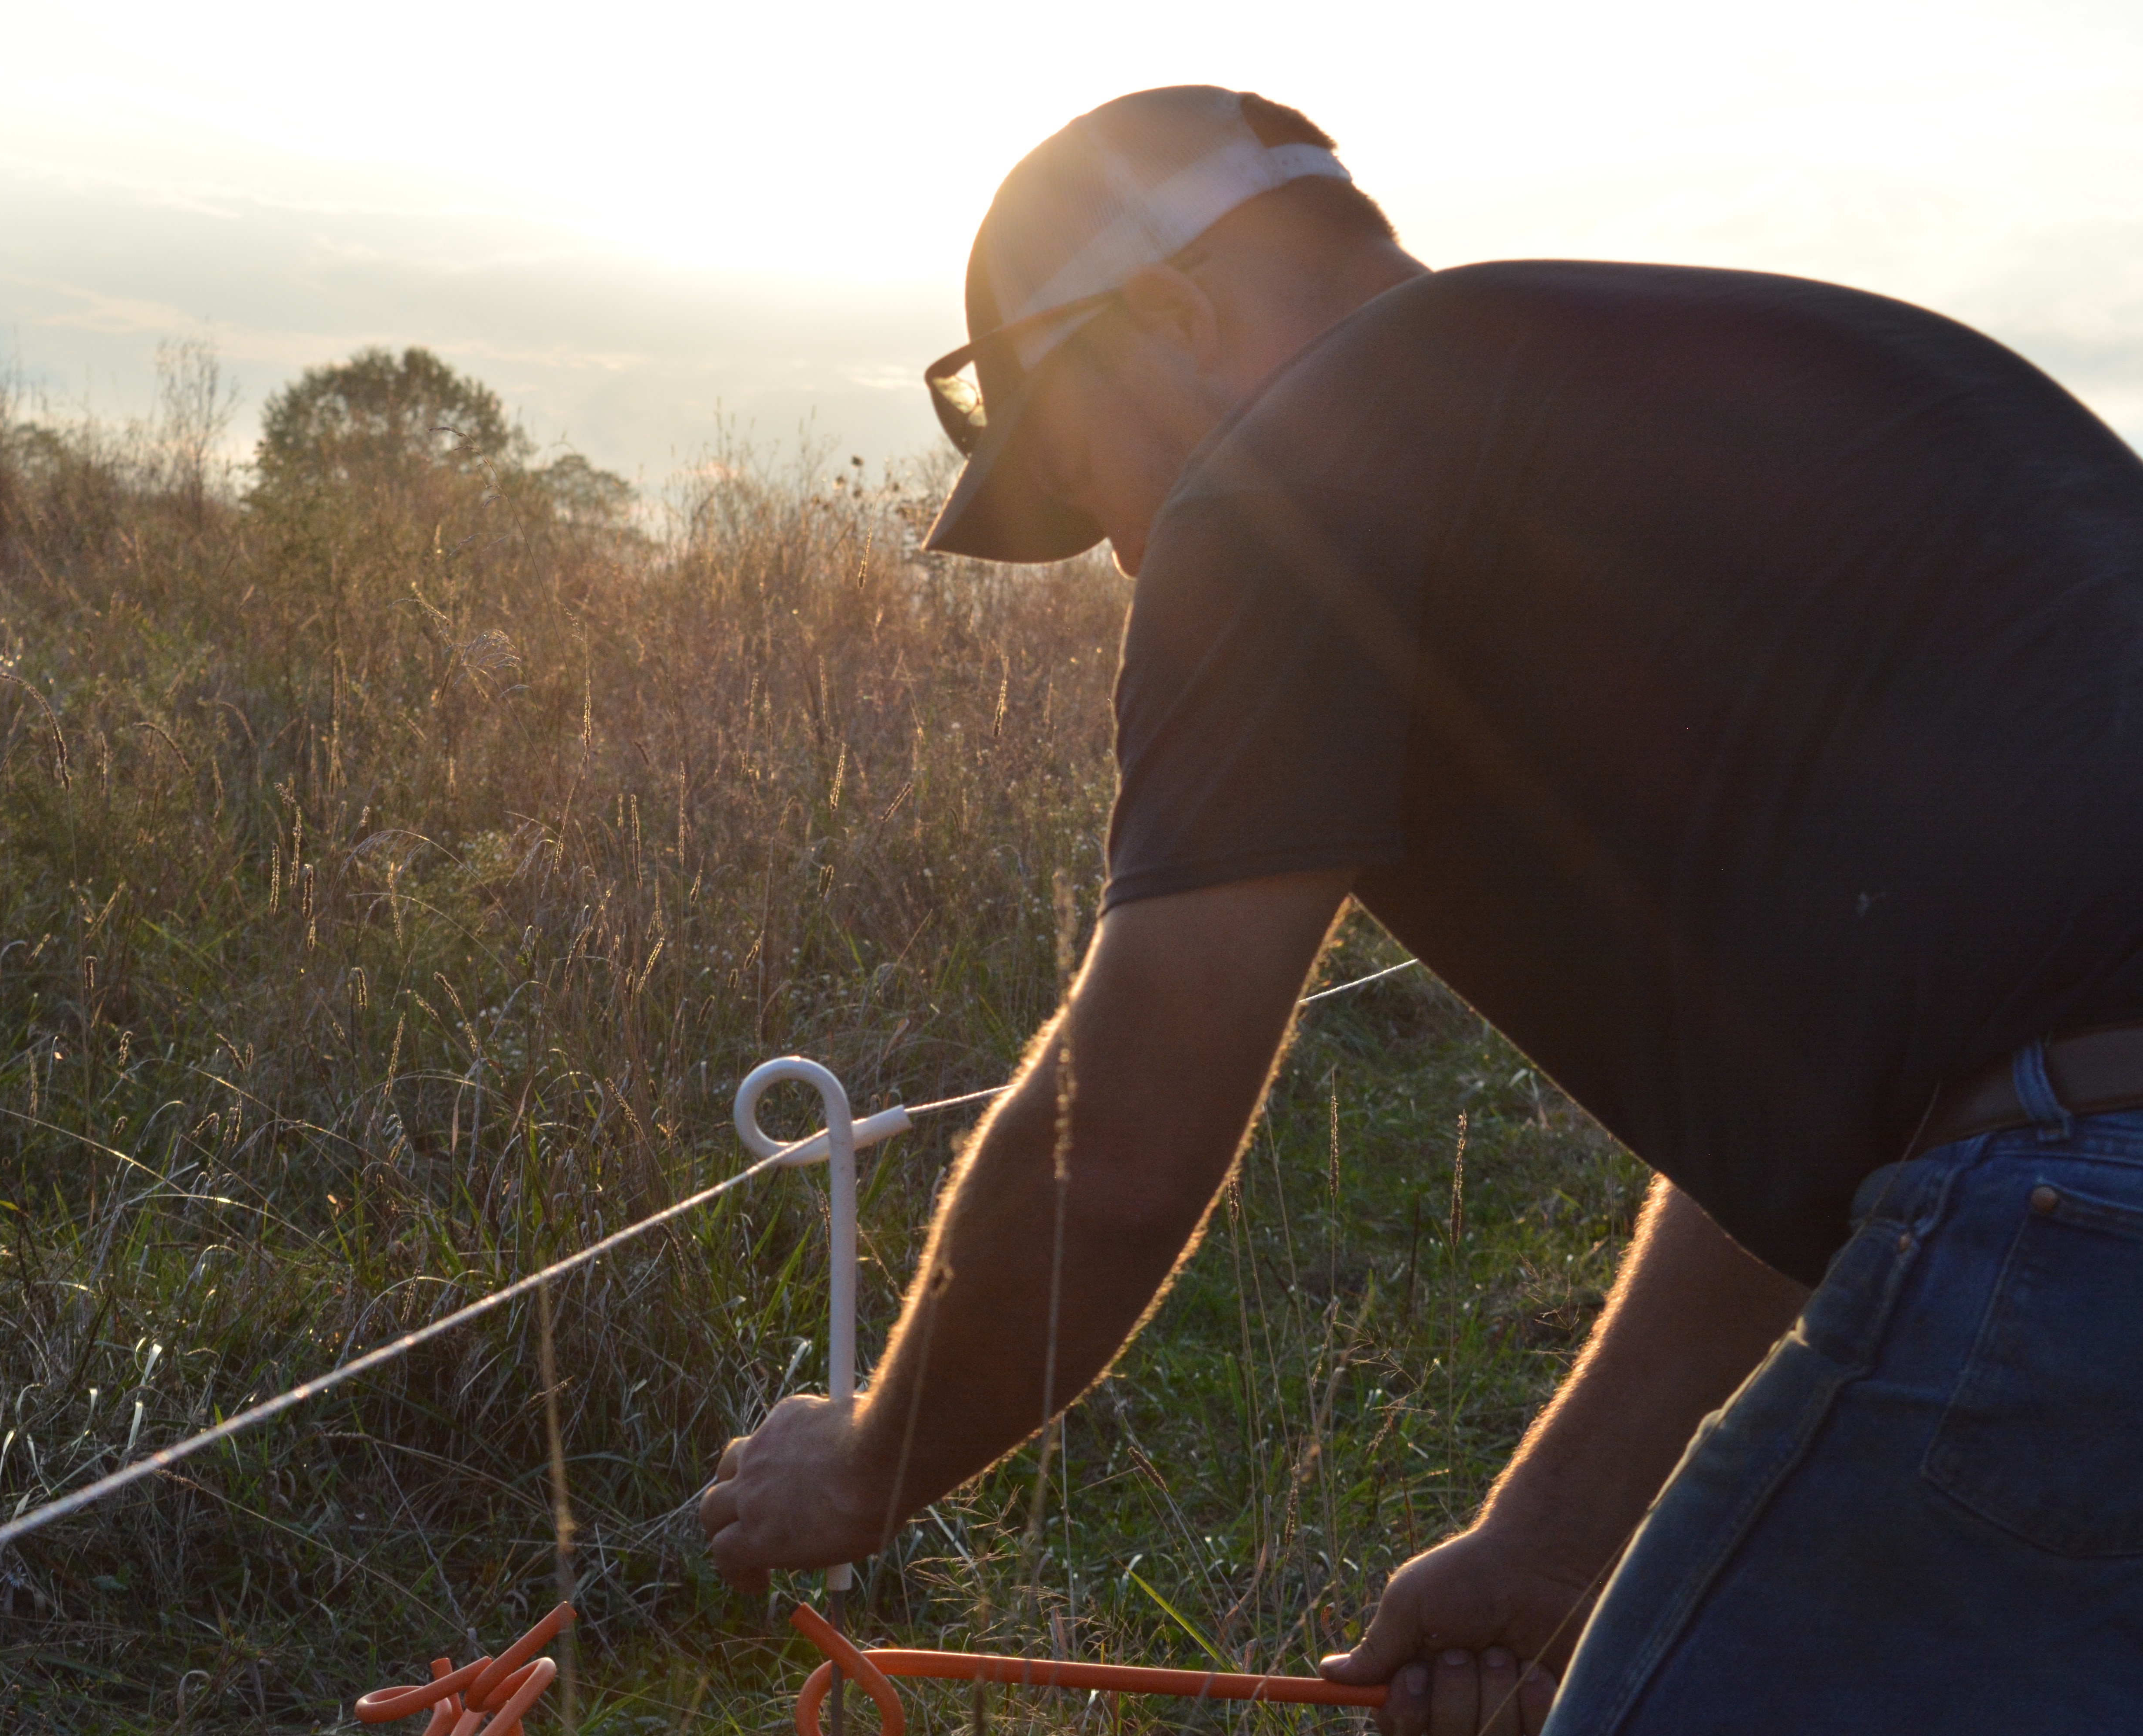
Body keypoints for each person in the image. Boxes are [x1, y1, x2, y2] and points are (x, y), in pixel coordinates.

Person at [695, 85, 2143, 1735]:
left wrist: (869, 1462)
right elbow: (1867, 1097)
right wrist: (1554, 1539)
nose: (1128, 560)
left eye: (1088, 474)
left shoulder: (1286, 475)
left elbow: (1127, 1141)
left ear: (1175, 319)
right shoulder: (1799, 382)